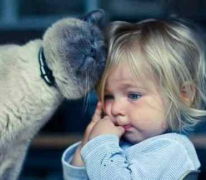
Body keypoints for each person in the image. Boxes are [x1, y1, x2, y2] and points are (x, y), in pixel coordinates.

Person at [61, 19, 206, 180]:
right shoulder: (115, 145)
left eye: (133, 95)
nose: (115, 108)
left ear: (183, 94)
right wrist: (86, 145)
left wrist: (100, 144)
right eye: (109, 96)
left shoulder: (173, 150)